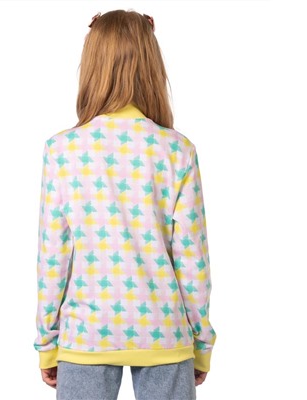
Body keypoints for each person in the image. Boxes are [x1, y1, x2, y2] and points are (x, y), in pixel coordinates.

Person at [33, 9, 217, 400]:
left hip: (86, 334)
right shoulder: (176, 150)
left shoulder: (62, 150)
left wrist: (47, 341)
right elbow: (193, 260)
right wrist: (202, 343)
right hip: (164, 332)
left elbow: (53, 258)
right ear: (152, 66)